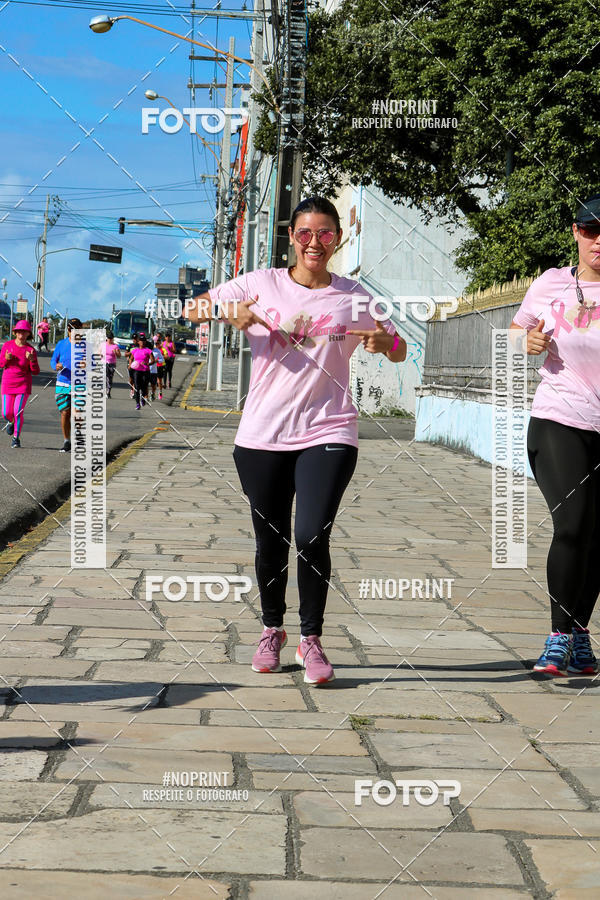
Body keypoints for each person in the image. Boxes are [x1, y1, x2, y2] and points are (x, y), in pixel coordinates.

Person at [188, 195, 406, 684]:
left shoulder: (354, 296)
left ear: (338, 239)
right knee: (271, 541)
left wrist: (384, 342)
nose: (315, 242)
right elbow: (193, 309)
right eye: (305, 233)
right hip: (262, 434)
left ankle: (311, 640)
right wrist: (230, 311)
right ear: (291, 236)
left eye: (326, 233)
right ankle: (272, 629)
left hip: (329, 430)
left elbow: (399, 349)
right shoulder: (260, 282)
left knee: (310, 535)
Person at [510, 193, 600, 676]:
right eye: (590, 230)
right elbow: (513, 335)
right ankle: (558, 637)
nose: (598, 240)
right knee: (573, 523)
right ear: (575, 232)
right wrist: (527, 341)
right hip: (559, 417)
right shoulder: (551, 283)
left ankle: (580, 636)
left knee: (596, 535)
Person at [0, 320, 40, 448]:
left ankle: (16, 438)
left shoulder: (30, 350)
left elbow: (35, 371)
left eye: (24, 332)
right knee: (6, 413)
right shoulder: (7, 345)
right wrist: (6, 359)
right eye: (19, 332)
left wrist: (32, 360)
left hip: (23, 384)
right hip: (8, 383)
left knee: (17, 411)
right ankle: (10, 422)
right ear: (15, 333)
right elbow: (0, 364)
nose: (21, 334)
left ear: (28, 334)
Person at [51, 317, 83, 453]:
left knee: (77, 413)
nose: (73, 331)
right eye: (71, 328)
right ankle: (66, 441)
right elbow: (53, 360)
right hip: (63, 382)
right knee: (65, 413)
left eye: (76, 328)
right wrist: (56, 366)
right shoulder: (61, 344)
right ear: (68, 330)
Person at [128, 332, 153, 410]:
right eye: (141, 340)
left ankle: (143, 399)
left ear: (145, 342)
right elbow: (131, 358)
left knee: (144, 387)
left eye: (143, 340)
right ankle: (137, 403)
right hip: (136, 371)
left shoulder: (148, 351)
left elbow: (153, 360)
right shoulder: (135, 350)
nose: (142, 342)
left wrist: (146, 363)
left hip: (145, 371)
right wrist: (130, 364)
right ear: (138, 342)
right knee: (137, 388)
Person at [103, 330, 121, 398]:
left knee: (110, 378)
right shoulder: (103, 345)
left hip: (112, 364)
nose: (110, 339)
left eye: (111, 338)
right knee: (105, 376)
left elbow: (119, 356)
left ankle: (108, 391)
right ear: (107, 338)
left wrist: (116, 353)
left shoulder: (115, 346)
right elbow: (98, 352)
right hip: (104, 363)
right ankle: (105, 391)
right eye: (109, 338)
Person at [149, 336, 165, 401]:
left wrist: (157, 361)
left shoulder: (157, 351)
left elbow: (162, 359)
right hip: (146, 370)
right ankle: (145, 396)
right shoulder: (145, 350)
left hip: (154, 370)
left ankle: (153, 393)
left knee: (153, 385)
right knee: (145, 384)